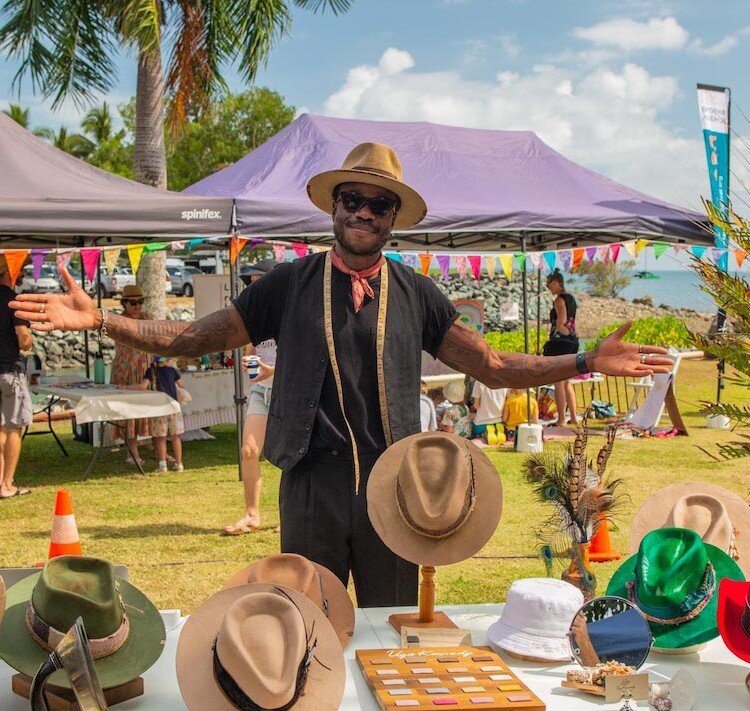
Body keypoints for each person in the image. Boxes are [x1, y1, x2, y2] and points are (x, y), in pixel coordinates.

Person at [12, 142, 674, 607]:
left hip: (395, 491)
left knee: (388, 628)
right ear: (335, 207)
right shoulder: (288, 284)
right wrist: (102, 321)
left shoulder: (418, 294)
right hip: (310, 488)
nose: (363, 211)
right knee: (310, 625)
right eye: (352, 199)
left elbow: (495, 366)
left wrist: (583, 360)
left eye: (378, 204)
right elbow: (190, 337)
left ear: (392, 218)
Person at [223, 259, 280, 536]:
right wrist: (250, 362)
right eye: (253, 286)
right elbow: (250, 353)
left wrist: (273, 370)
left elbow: (307, 362)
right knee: (248, 451)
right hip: (261, 389)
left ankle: (289, 517)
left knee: (288, 458)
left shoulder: (291, 316)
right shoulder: (256, 320)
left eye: (260, 285)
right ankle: (252, 515)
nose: (255, 291)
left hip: (286, 389)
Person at [0, 257, 32, 498]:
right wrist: (29, 339)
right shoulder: (13, 300)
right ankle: (7, 484)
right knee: (13, 428)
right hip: (10, 371)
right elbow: (23, 339)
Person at [121, 356, 185, 472]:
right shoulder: (172, 371)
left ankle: (162, 466)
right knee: (176, 437)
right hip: (174, 407)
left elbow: (142, 387)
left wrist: (125, 387)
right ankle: (179, 464)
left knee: (161, 438)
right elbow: (181, 384)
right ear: (168, 360)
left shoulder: (151, 371)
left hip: (160, 408)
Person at [110, 286, 151, 467]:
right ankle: (132, 452)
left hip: (144, 369)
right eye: (133, 303)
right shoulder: (118, 321)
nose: (137, 306)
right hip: (125, 371)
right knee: (128, 413)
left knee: (145, 411)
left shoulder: (147, 318)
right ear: (124, 303)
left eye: (140, 302)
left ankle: (148, 447)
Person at [543, 269, 580, 427]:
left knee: (558, 381)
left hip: (562, 342)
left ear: (557, 283)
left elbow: (562, 321)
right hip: (573, 340)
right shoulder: (571, 298)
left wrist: (556, 332)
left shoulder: (558, 300)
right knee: (566, 382)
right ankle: (573, 416)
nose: (548, 286)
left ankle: (561, 419)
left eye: (549, 283)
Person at [471, 380, 507, 445]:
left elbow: (476, 406)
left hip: (481, 423)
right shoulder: (504, 381)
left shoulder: (479, 382)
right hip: (499, 421)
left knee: (471, 418)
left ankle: (485, 433)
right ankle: (497, 432)